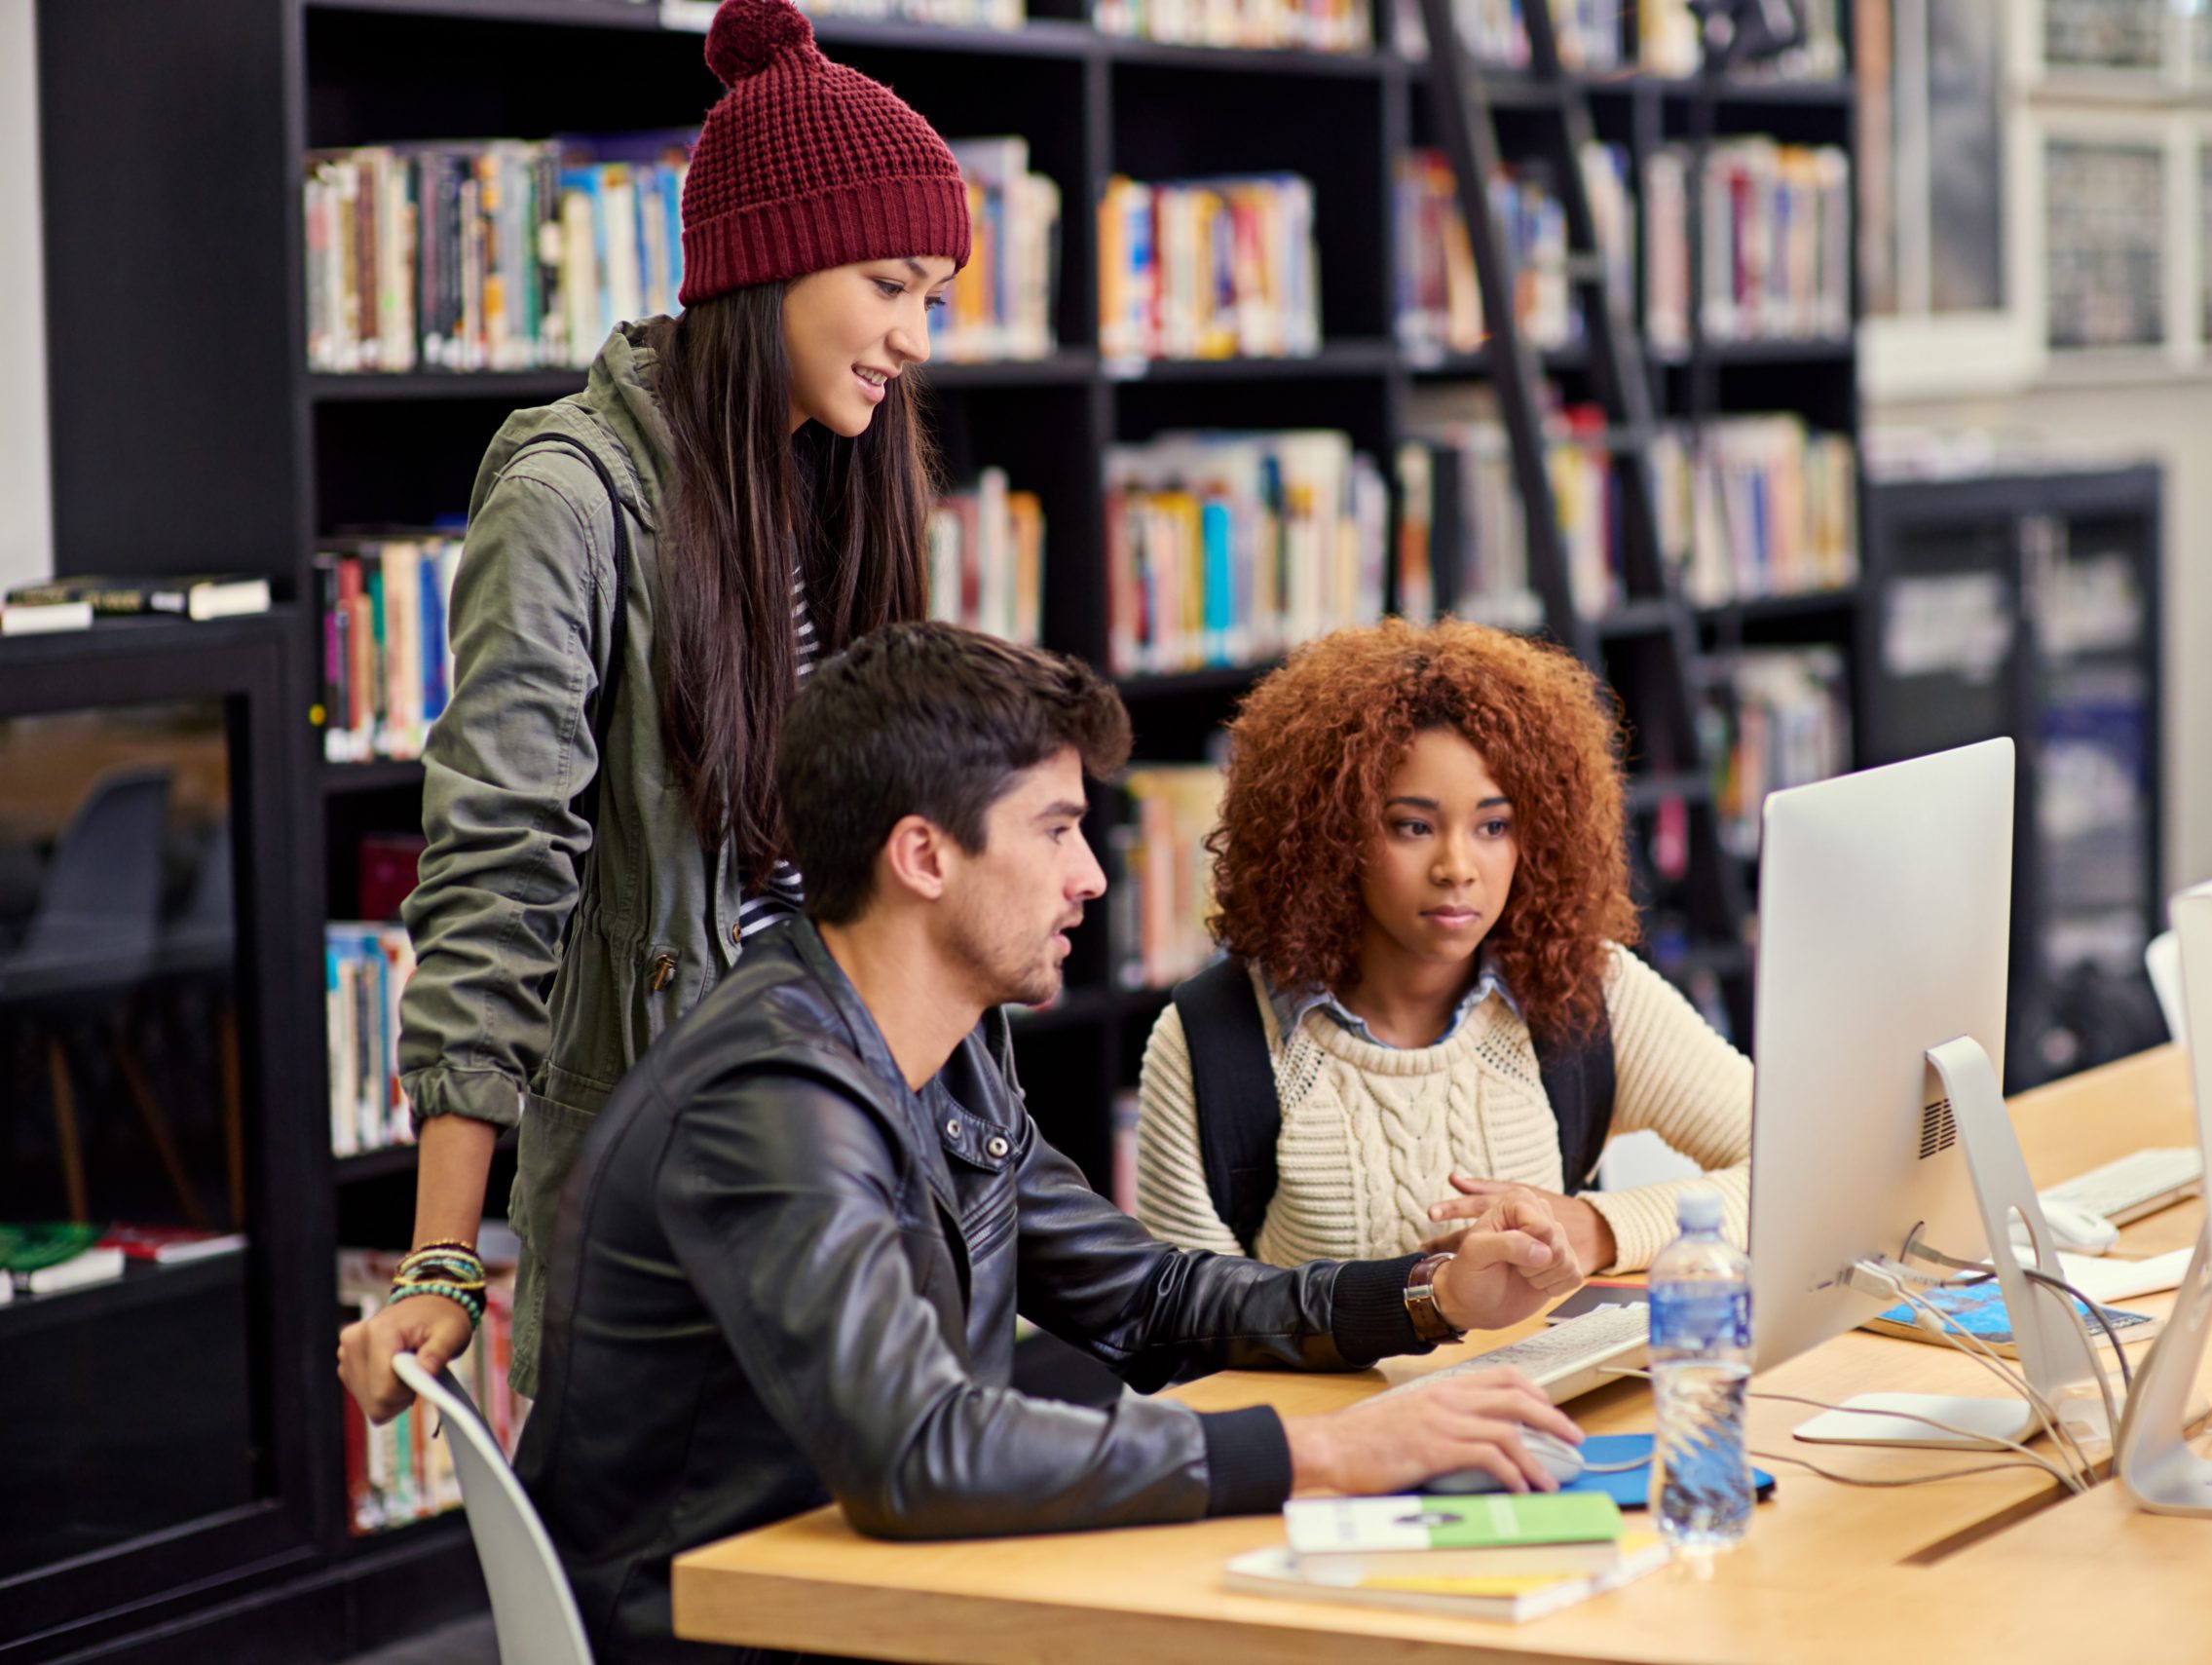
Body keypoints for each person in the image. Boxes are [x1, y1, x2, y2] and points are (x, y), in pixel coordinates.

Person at [515, 623, 1588, 1664]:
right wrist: (1326, 1449)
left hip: (888, 1593)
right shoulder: (769, 1091)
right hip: (746, 1630)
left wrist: (1427, 1295)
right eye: (1055, 828)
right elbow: (916, 1448)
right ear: (924, 855)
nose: (1093, 876)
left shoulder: (950, 1042)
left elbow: (1147, 1298)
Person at [335, 0, 977, 1424]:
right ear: (773, 263)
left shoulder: (848, 481)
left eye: (932, 295)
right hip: (675, 1178)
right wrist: (448, 1251)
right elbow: (498, 866)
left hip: (872, 1150)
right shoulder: (572, 498)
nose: (914, 336)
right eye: (890, 283)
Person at [1136, 616, 1752, 1276]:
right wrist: (1411, 1313)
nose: (1457, 866)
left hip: (1544, 1384)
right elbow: (1182, 1326)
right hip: (1340, 1388)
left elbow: (1803, 1160)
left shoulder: (1584, 989)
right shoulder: (1212, 1043)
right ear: (1331, 835)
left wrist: (1603, 1228)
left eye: (1494, 825)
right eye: (1413, 826)